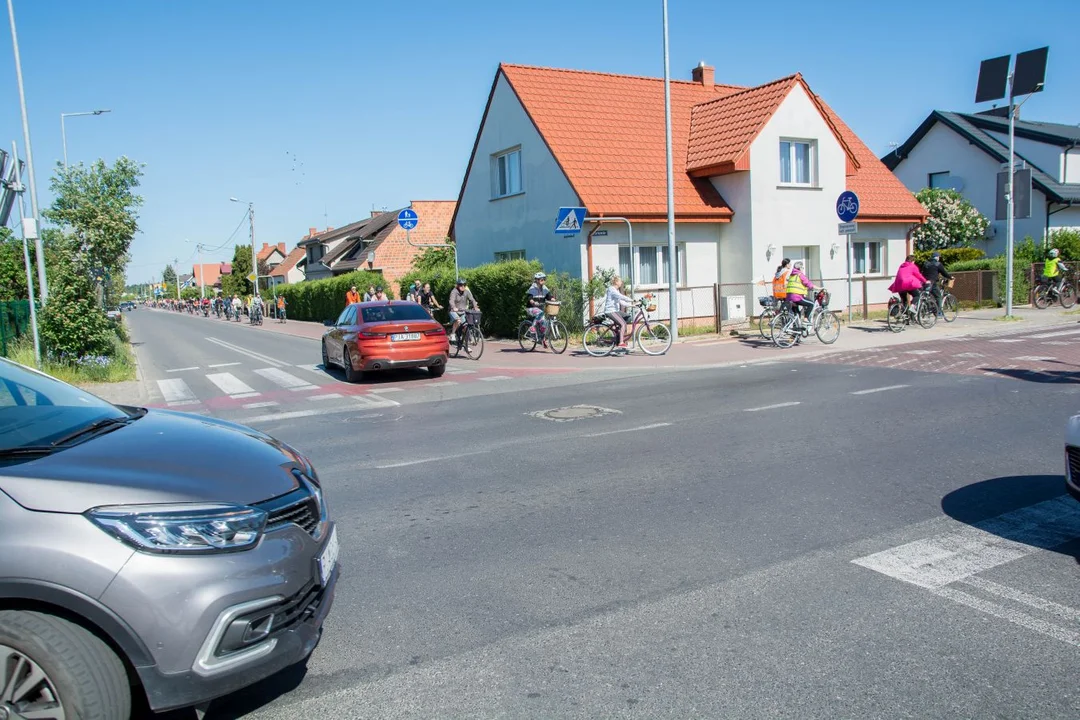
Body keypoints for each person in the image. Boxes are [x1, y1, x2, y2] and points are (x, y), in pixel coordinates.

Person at [604, 275, 634, 350]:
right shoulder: (612, 289)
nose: (621, 282)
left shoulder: (616, 290)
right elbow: (621, 296)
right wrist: (632, 300)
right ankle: (621, 342)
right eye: (620, 281)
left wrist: (632, 305)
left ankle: (619, 336)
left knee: (628, 318)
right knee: (623, 323)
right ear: (616, 282)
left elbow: (621, 302)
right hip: (610, 311)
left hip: (615, 311)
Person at [785, 260, 816, 329]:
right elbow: (809, 284)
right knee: (811, 304)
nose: (802, 269)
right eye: (802, 268)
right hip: (797, 297)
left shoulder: (792, 275)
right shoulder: (800, 275)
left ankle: (795, 335)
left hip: (789, 298)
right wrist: (819, 288)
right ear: (800, 268)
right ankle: (805, 320)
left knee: (797, 315)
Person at [921, 252, 953, 317]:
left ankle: (929, 307)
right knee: (938, 296)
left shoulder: (926, 263)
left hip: (924, 282)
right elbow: (944, 273)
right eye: (939, 257)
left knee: (927, 295)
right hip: (933, 283)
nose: (939, 258)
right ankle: (939, 312)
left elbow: (923, 272)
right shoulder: (938, 264)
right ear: (937, 257)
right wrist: (950, 277)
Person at [448, 278, 479, 342]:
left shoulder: (466, 292)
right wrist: (454, 307)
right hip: (453, 311)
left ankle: (466, 345)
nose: (463, 286)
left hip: (462, 311)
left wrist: (475, 307)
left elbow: (472, 299)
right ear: (458, 285)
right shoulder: (454, 292)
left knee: (466, 326)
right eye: (461, 285)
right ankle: (453, 334)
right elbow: (451, 301)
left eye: (464, 285)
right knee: (458, 320)